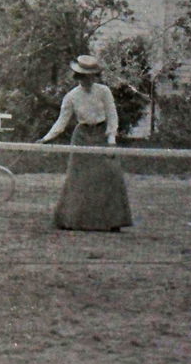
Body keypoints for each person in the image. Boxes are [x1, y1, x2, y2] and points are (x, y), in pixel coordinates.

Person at [38, 55, 133, 232]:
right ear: (78, 76)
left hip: (102, 134)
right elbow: (62, 121)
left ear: (95, 76)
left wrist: (111, 140)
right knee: (79, 178)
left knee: (110, 174)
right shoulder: (71, 96)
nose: (87, 79)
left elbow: (112, 116)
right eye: (83, 76)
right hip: (82, 136)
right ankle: (73, 220)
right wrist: (46, 138)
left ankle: (111, 222)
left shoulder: (104, 91)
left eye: (91, 76)